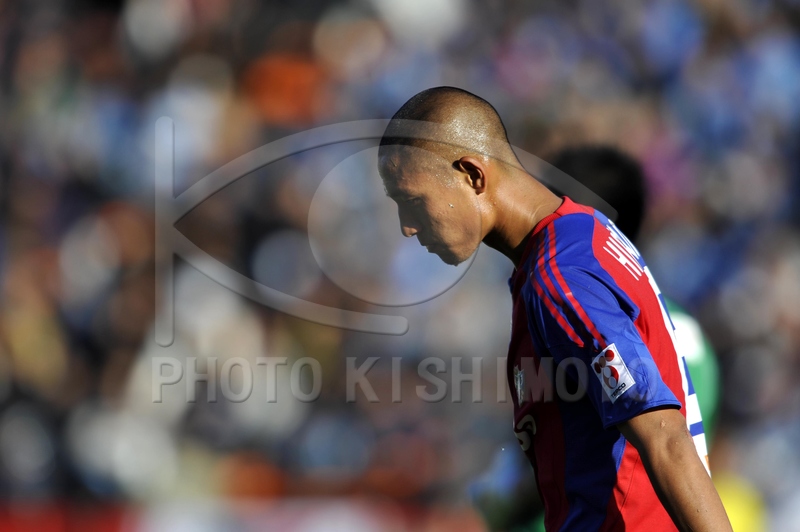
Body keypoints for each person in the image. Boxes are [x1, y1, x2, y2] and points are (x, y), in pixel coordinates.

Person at [377, 86, 732, 531]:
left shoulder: (560, 276)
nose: (407, 228)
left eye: (412, 201)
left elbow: (664, 436)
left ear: (472, 175)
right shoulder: (579, 232)